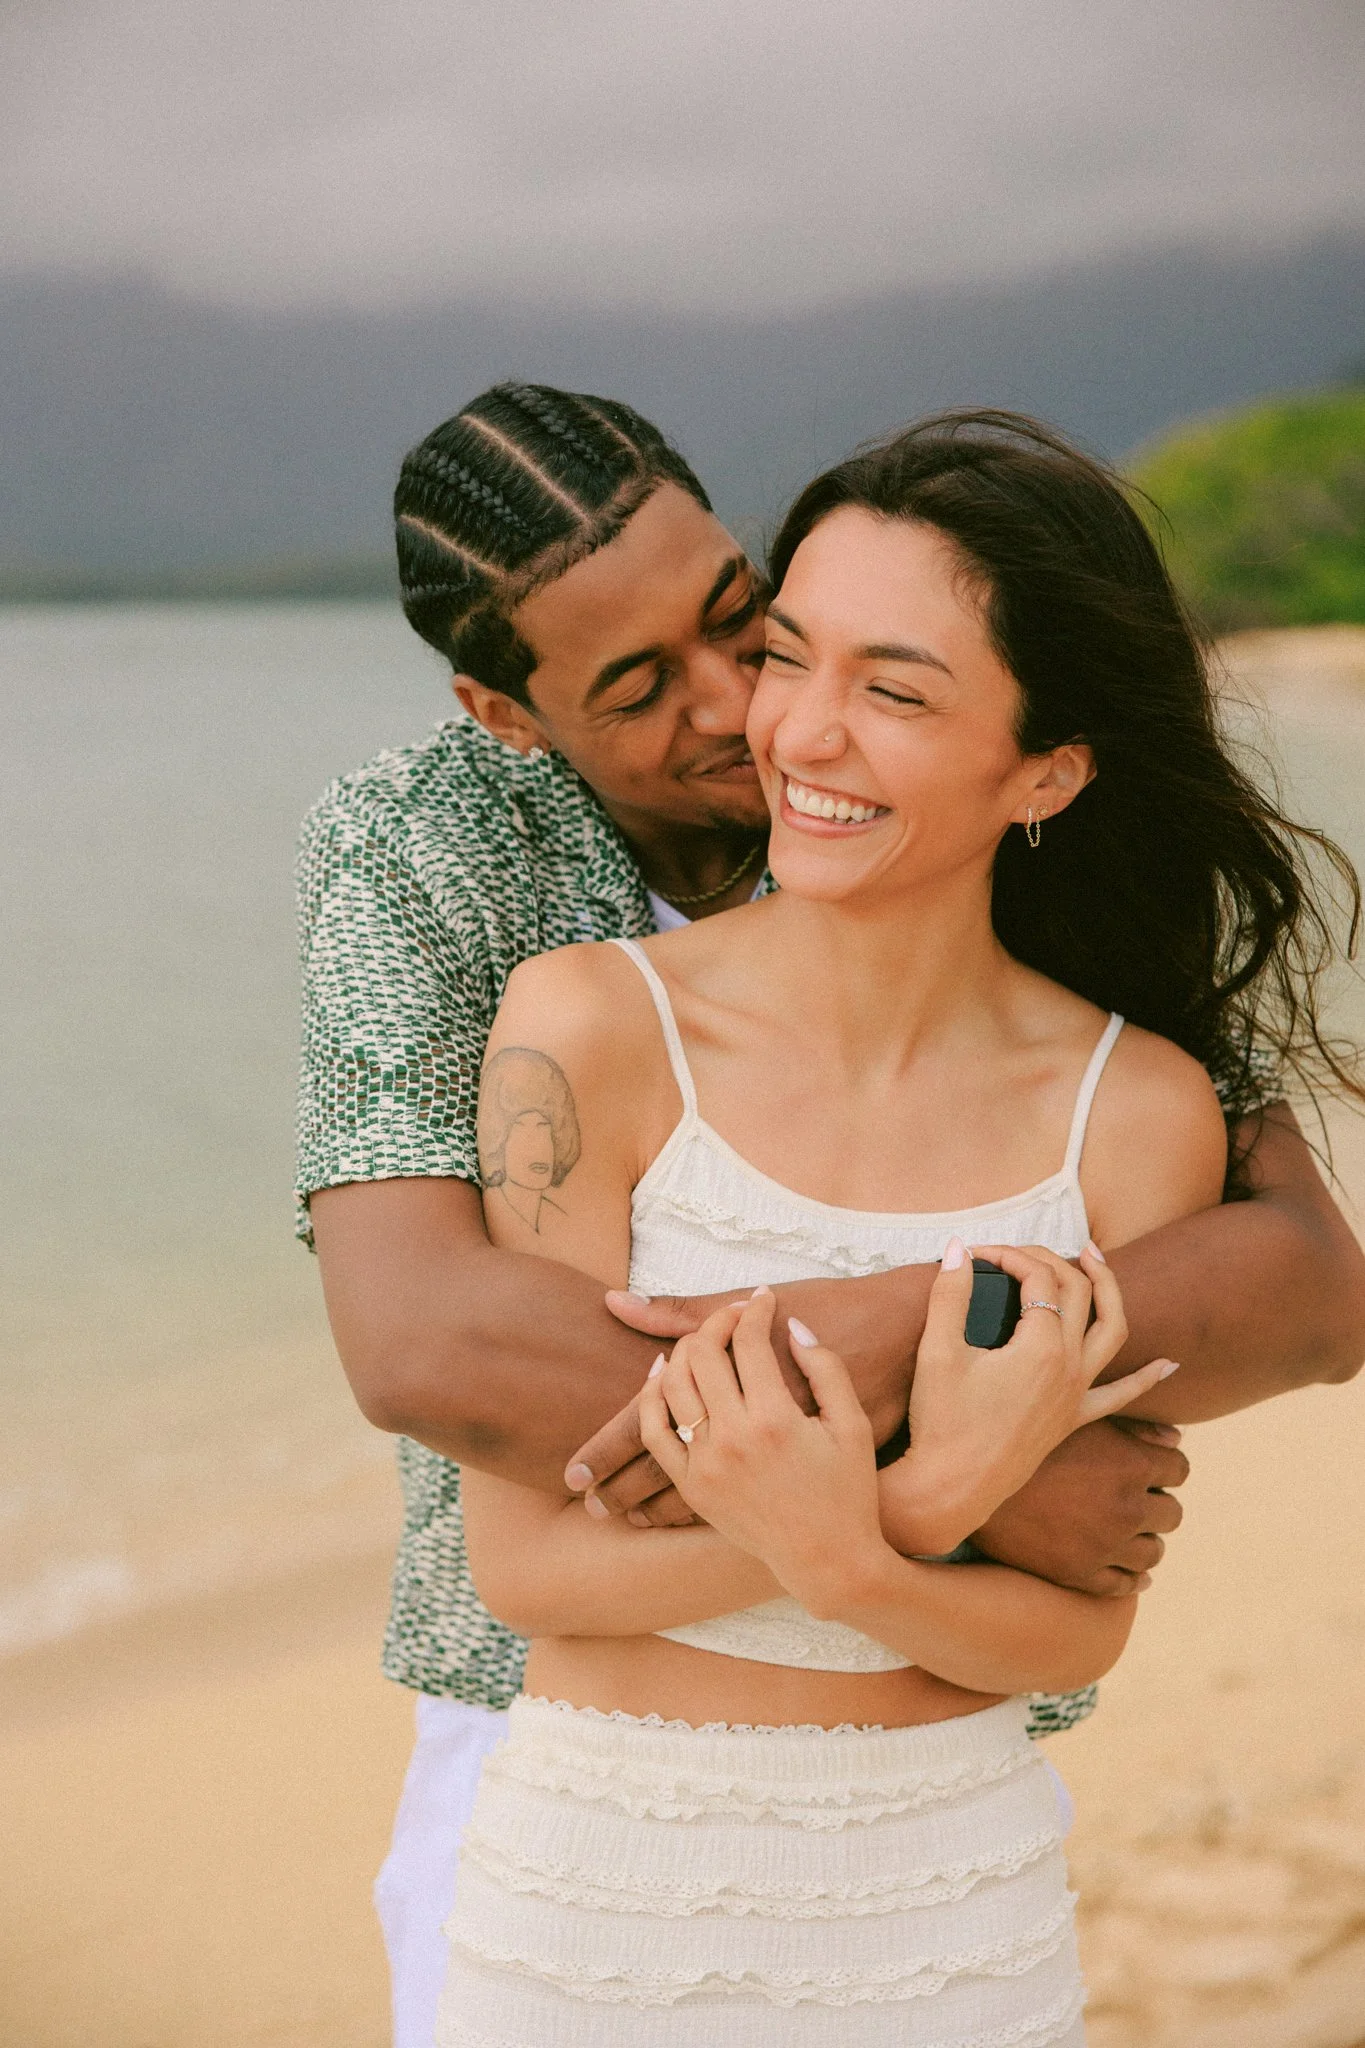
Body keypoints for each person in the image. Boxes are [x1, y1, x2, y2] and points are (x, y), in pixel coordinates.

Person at [294, 385, 1365, 2047]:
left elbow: (1300, 1282)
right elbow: (432, 1353)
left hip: (943, 1856)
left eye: (751, 627)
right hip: (566, 1787)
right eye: (645, 688)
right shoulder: (457, 885)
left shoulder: (1103, 1051)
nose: (752, 716)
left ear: (1047, 770)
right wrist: (966, 1459)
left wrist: (897, 1343)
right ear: (510, 717)